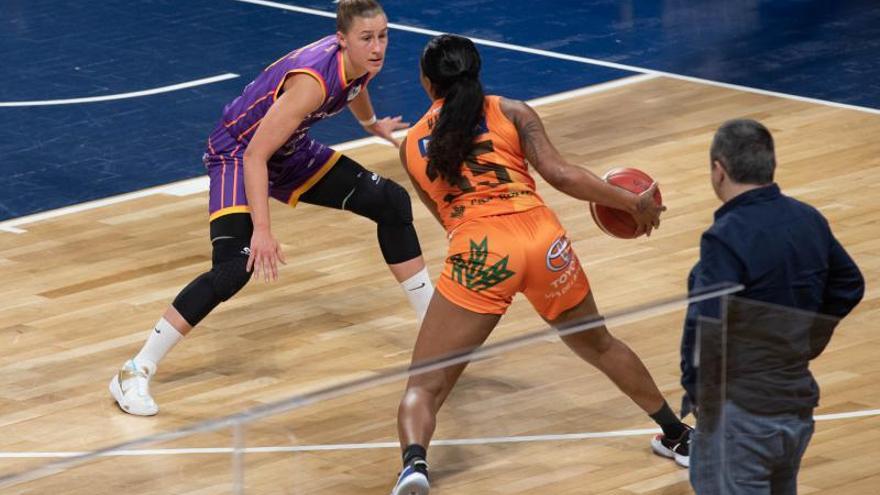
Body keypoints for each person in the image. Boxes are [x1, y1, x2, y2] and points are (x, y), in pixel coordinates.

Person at [390, 34, 690, 495]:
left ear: (427, 83)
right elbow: (562, 175)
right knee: (600, 344)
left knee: (426, 384)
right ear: (477, 71)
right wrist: (632, 203)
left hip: (482, 250)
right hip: (543, 240)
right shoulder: (512, 111)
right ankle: (678, 435)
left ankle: (414, 467)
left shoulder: (411, 145)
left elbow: (448, 220)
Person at [109, 0, 435, 416]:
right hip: (238, 153)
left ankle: (433, 327)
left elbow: (358, 86)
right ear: (342, 40)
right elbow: (254, 157)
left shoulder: (361, 62)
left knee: (390, 200)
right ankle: (134, 370)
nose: (377, 47)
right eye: (366, 38)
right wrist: (262, 229)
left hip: (288, 151)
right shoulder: (312, 83)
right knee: (233, 267)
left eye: (383, 36)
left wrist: (372, 126)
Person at [680, 119, 865, 494]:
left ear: (719, 170)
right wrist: (806, 340)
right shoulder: (807, 218)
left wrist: (697, 392)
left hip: (740, 413)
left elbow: (706, 328)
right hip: (794, 400)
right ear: (770, 165)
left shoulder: (725, 237)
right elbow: (849, 285)